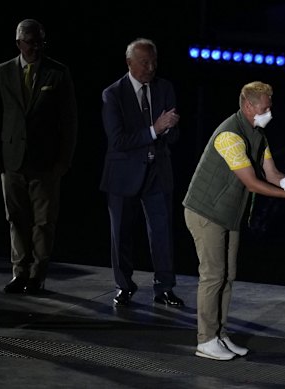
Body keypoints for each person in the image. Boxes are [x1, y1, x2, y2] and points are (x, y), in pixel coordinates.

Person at [183, 81, 285, 360]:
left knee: (228, 276)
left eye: (270, 106)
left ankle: (219, 334)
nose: (269, 112)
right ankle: (205, 340)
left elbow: (272, 175)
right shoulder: (229, 135)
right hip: (206, 212)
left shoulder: (258, 135)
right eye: (265, 107)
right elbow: (254, 183)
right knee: (213, 276)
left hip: (229, 214)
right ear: (248, 106)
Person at [0, 19, 78, 294]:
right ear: (18, 44)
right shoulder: (2, 72)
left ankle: (38, 273)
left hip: (46, 162)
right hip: (12, 160)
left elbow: (69, 120)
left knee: (43, 221)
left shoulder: (57, 73)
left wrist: (64, 160)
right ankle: (19, 271)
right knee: (16, 218)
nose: (36, 48)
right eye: (30, 42)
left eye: (39, 42)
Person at [100, 38, 184, 308]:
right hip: (124, 174)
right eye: (144, 62)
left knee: (161, 234)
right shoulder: (113, 94)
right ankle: (124, 286)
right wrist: (155, 130)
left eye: (154, 62)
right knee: (121, 234)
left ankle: (164, 288)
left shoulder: (165, 87)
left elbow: (174, 136)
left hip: (157, 172)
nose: (151, 67)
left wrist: (170, 130)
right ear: (129, 63)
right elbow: (118, 140)